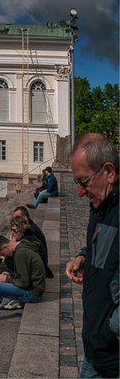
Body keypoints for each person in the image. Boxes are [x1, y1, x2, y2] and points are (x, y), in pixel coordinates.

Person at [65, 133, 120, 377]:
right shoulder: (101, 205)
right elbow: (105, 248)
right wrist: (84, 258)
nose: (79, 191)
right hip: (95, 352)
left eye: (84, 181)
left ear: (108, 172)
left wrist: (112, 330)